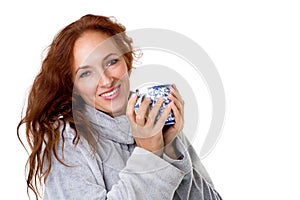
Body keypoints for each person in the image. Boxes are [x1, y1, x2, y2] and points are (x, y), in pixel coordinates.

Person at [17, 14, 222, 200]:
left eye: (111, 62)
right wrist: (149, 153)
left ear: (127, 60)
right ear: (73, 86)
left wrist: (168, 148)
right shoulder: (66, 140)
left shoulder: (154, 118)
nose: (106, 81)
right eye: (86, 73)